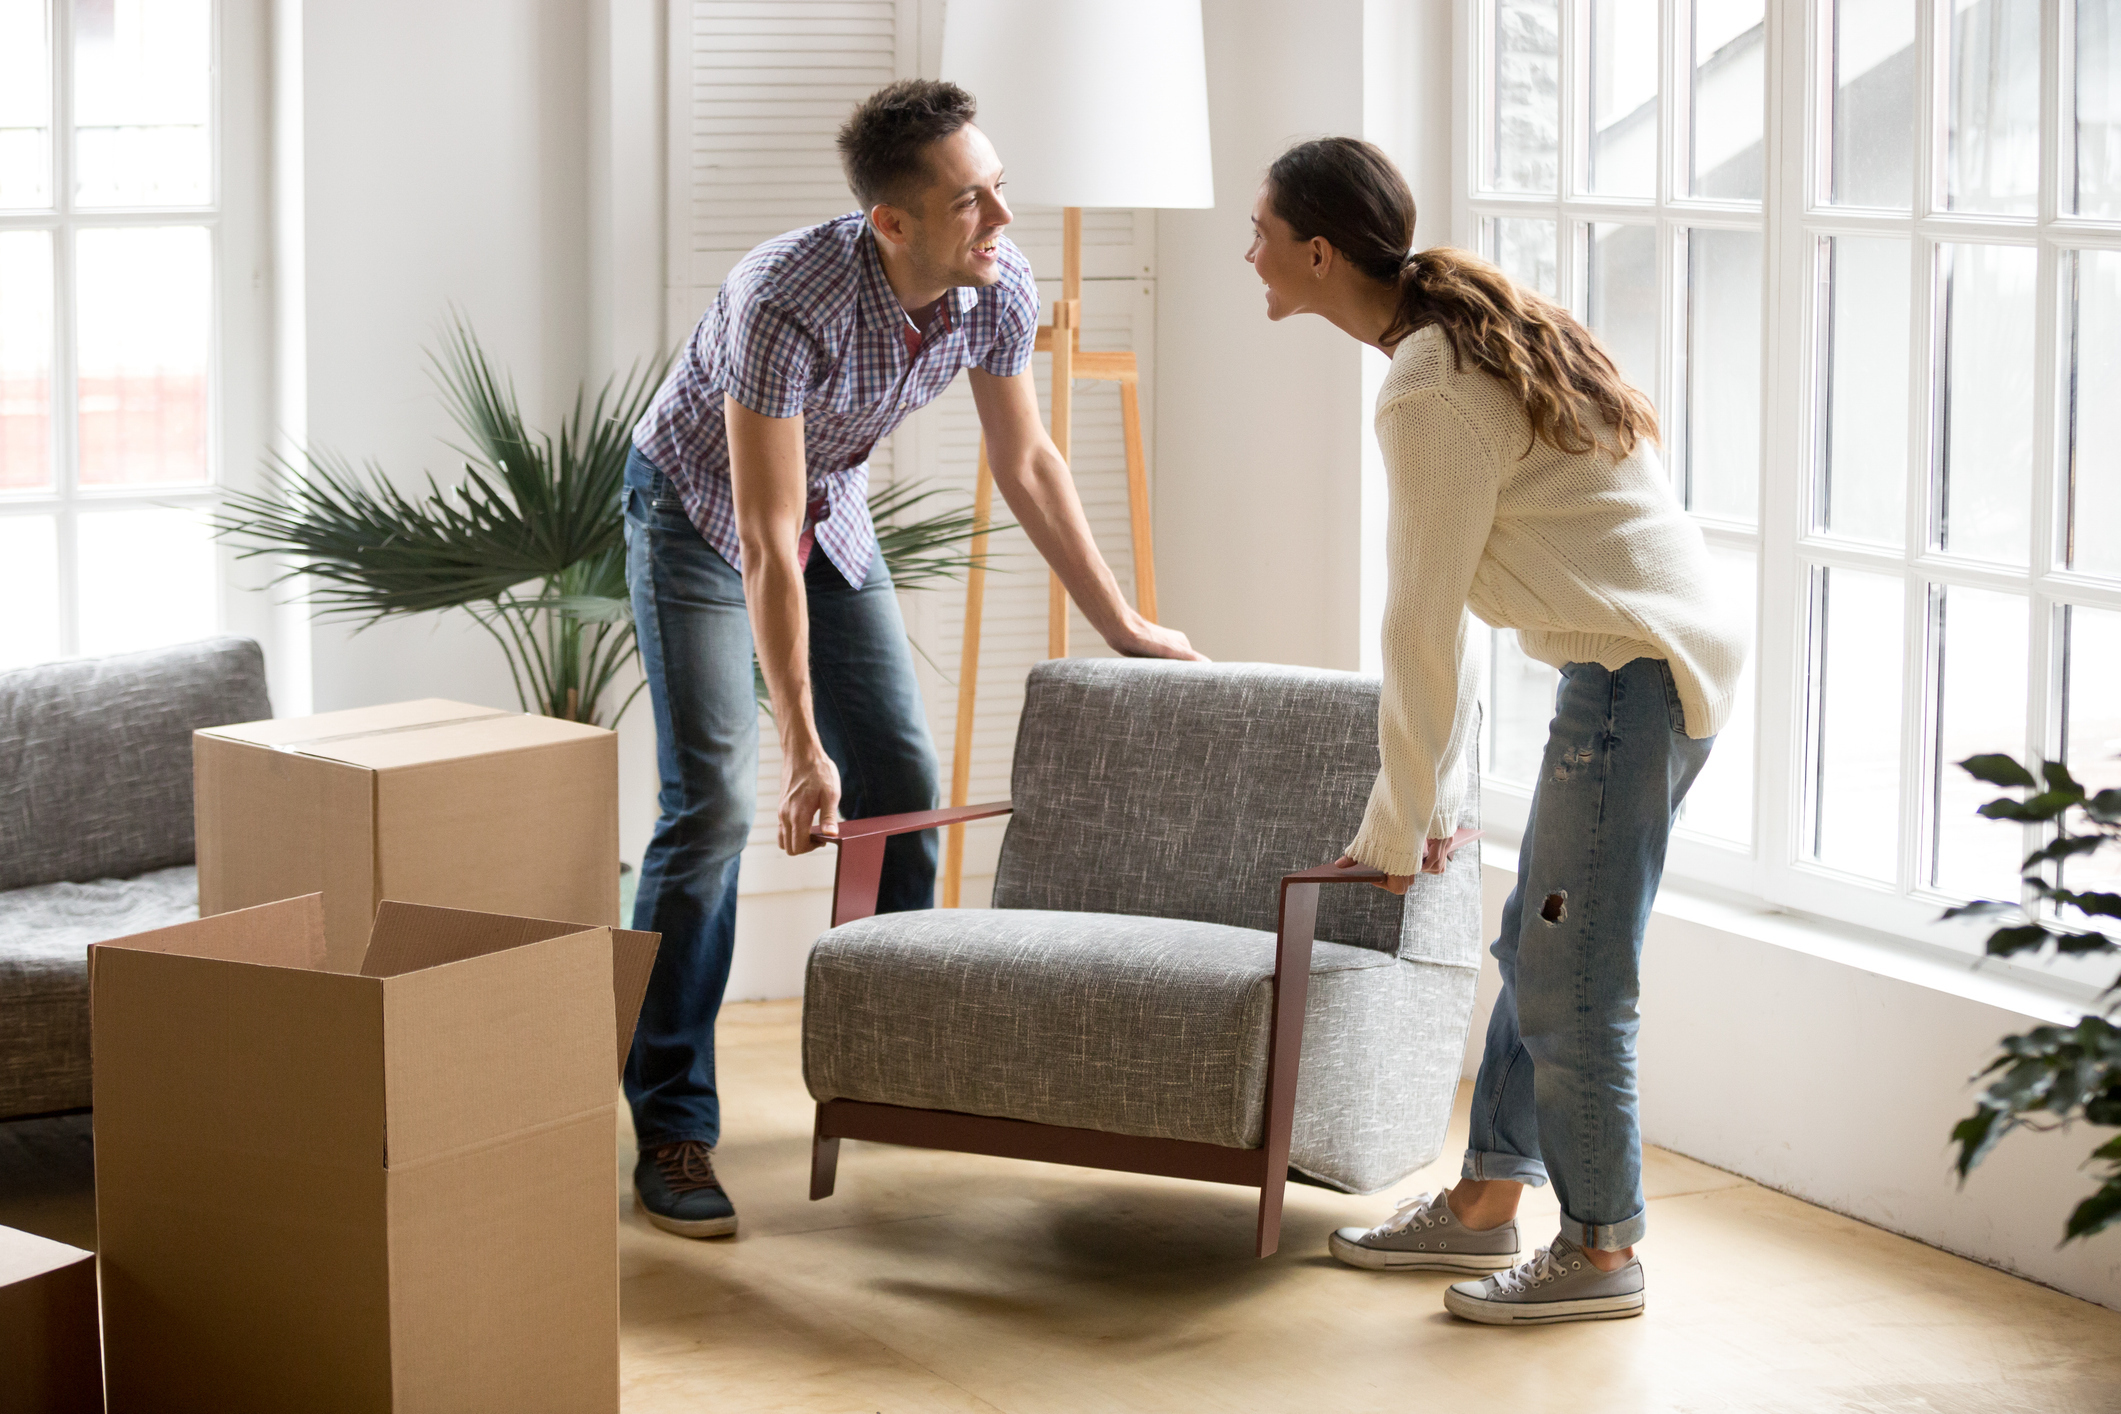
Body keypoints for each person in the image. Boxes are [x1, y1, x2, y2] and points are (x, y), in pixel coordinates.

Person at [623, 79, 1201, 1238]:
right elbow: (764, 539)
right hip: (697, 513)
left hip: (823, 504)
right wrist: (798, 746)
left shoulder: (994, 283)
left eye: (998, 188)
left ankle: (890, 1062)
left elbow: (1028, 463)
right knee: (712, 806)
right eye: (969, 201)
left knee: (902, 780)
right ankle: (673, 1122)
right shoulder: (783, 297)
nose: (1000, 217)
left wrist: (1121, 621)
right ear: (891, 223)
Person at [1245, 137, 1744, 1323]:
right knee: (1537, 950)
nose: (1247, 252)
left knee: (1575, 983)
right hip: (1634, 673)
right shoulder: (1443, 343)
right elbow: (1450, 615)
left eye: (1261, 231)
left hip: (1634, 679)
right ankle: (1482, 1204)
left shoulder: (1424, 384)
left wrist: (1399, 819)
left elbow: (1421, 625)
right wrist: (1421, 798)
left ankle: (1603, 1251)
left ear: (1319, 253)